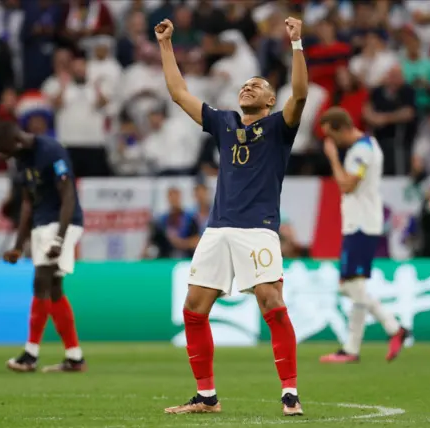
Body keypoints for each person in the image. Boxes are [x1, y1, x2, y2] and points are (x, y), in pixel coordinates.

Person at [155, 17, 308, 416]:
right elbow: (177, 92)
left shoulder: (279, 127)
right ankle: (207, 397)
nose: (247, 87)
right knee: (194, 309)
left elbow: (302, 95)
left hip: (258, 230)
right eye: (245, 84)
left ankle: (289, 393)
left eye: (257, 85)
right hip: (218, 229)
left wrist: (296, 45)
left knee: (271, 302)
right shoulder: (224, 122)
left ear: (271, 101)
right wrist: (166, 45)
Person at [0, 117, 86, 373]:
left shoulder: (51, 151)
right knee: (53, 289)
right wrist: (18, 245)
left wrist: (60, 239)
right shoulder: (20, 160)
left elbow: (68, 196)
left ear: (16, 141)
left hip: (63, 222)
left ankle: (30, 354)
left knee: (41, 280)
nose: (3, 154)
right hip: (41, 224)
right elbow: (28, 204)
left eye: (4, 149)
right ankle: (75, 357)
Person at [319, 107, 410, 364]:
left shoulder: (362, 150)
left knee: (350, 285)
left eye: (330, 135)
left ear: (341, 128)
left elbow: (348, 185)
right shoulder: (368, 146)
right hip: (359, 223)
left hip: (361, 225)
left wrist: (333, 158)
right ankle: (353, 348)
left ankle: (392, 329)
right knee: (352, 285)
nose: (331, 141)